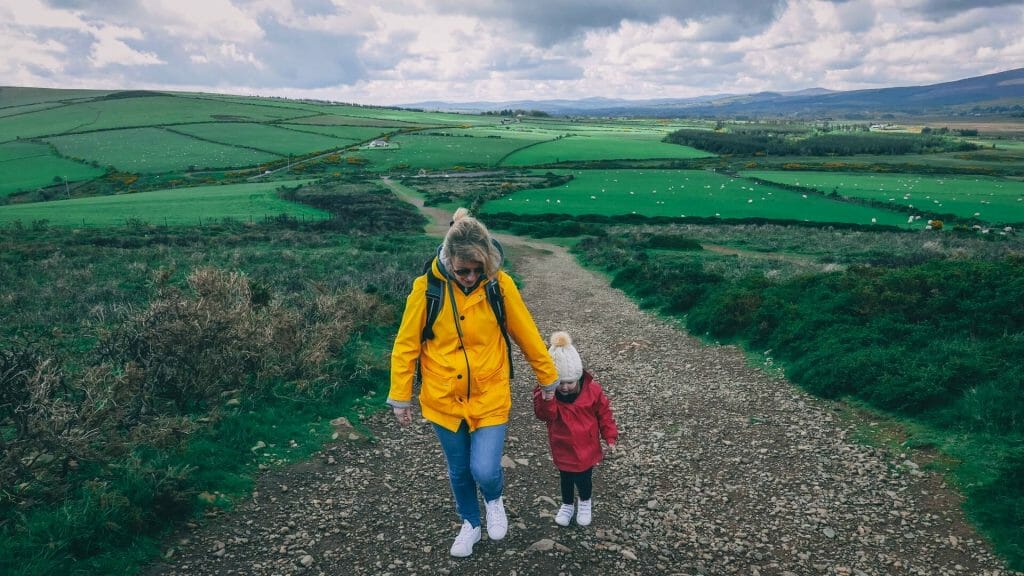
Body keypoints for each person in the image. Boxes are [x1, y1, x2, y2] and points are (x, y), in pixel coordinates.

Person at [388, 207, 560, 558]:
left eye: (477, 270)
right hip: (442, 398)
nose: (469, 277)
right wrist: (400, 396)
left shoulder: (500, 285)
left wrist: (548, 377)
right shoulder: (426, 290)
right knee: (459, 469)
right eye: (462, 270)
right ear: (448, 259)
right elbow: (406, 345)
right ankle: (470, 523)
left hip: (490, 393)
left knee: (484, 467)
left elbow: (526, 335)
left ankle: (494, 499)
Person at [533, 331, 618, 527]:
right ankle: (567, 504)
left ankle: (585, 502)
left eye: (569, 382)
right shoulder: (548, 395)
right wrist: (546, 396)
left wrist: (609, 435)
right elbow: (545, 415)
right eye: (559, 383)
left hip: (587, 445)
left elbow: (604, 413)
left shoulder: (592, 391)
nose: (564, 387)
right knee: (566, 477)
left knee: (584, 477)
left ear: (578, 378)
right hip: (562, 444)